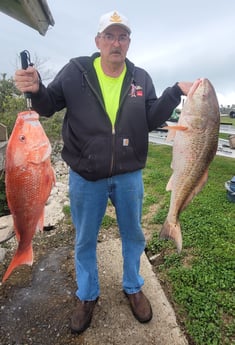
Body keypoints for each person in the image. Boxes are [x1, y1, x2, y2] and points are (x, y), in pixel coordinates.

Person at [15, 10, 192, 335]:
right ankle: (87, 295)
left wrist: (174, 92)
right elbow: (48, 104)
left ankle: (133, 285)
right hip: (85, 175)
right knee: (84, 240)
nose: (116, 42)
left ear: (128, 42)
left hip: (129, 175)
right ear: (98, 41)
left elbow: (151, 119)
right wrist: (37, 89)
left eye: (122, 36)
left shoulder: (140, 78)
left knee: (134, 235)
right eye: (109, 36)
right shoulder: (76, 71)